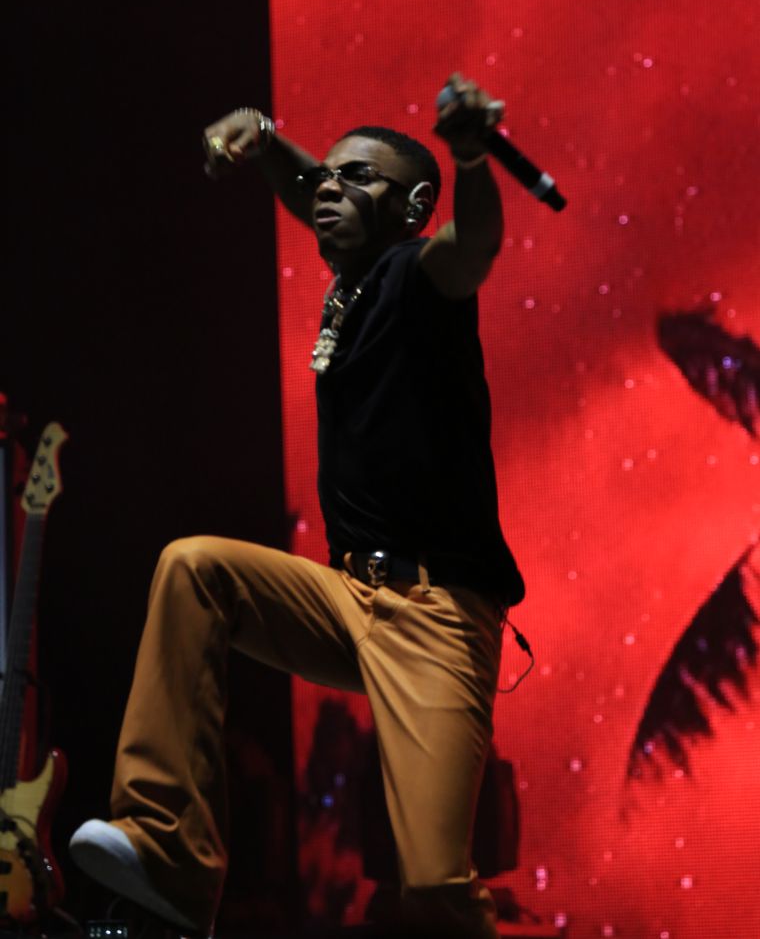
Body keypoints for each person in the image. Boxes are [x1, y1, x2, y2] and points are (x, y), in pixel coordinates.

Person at [69, 73, 526, 938]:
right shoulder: (354, 282)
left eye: (357, 179)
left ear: (411, 207)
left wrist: (472, 159)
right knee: (195, 569)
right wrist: (267, 139)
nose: (327, 189)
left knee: (432, 889)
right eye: (326, 177)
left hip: (434, 612)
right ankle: (168, 850)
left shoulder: (419, 278)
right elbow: (310, 187)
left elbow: (475, 244)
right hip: (346, 597)